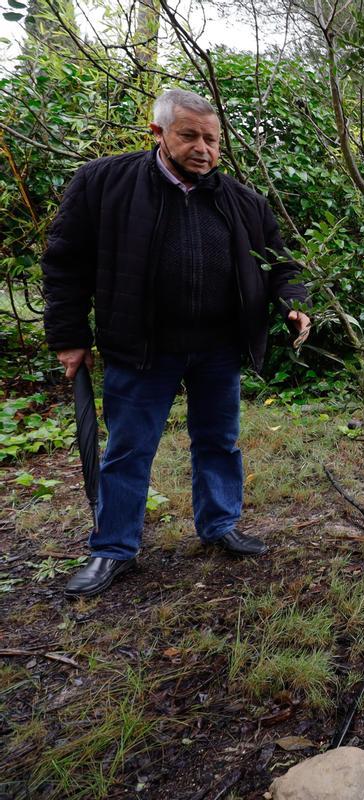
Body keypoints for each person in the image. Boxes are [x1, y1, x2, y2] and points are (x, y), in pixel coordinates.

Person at [42, 88, 312, 598]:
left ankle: (219, 525)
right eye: (189, 135)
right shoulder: (104, 183)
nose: (203, 149)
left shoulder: (241, 199)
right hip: (142, 348)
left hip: (217, 348)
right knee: (127, 450)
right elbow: (64, 264)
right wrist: (70, 336)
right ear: (158, 132)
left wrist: (294, 304)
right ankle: (113, 549)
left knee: (218, 441)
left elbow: (281, 263)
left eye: (212, 139)